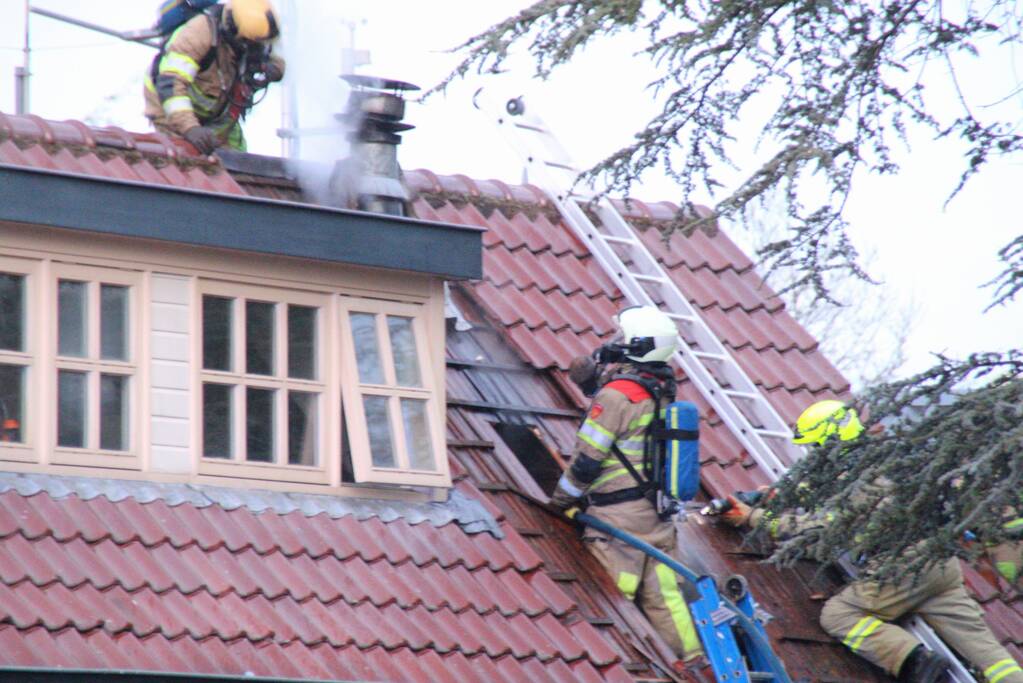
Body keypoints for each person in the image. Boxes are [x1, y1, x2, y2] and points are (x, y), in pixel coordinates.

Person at [721, 400, 1023, 683]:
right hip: (939, 567)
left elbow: (821, 528)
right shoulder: (882, 462)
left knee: (839, 615)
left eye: (816, 445)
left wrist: (755, 517)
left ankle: (914, 661)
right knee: (990, 656)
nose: (814, 453)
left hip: (901, 570)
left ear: (832, 439)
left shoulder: (856, 479)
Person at [550, 305, 705, 665]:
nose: (615, 343)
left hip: (617, 520)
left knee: (613, 593)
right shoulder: (662, 388)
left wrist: (560, 501)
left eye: (623, 338)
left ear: (638, 345)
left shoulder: (617, 396)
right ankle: (696, 662)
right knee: (665, 595)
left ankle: (614, 662)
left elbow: (587, 460)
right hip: (656, 515)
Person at [144, 0, 285, 154]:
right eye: (250, 44)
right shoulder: (199, 32)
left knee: (238, 164)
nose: (254, 49)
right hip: (173, 111)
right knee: (186, 160)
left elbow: (275, 55)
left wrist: (275, 69)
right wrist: (190, 128)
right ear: (232, 32)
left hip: (219, 112)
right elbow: (170, 83)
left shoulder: (259, 33)